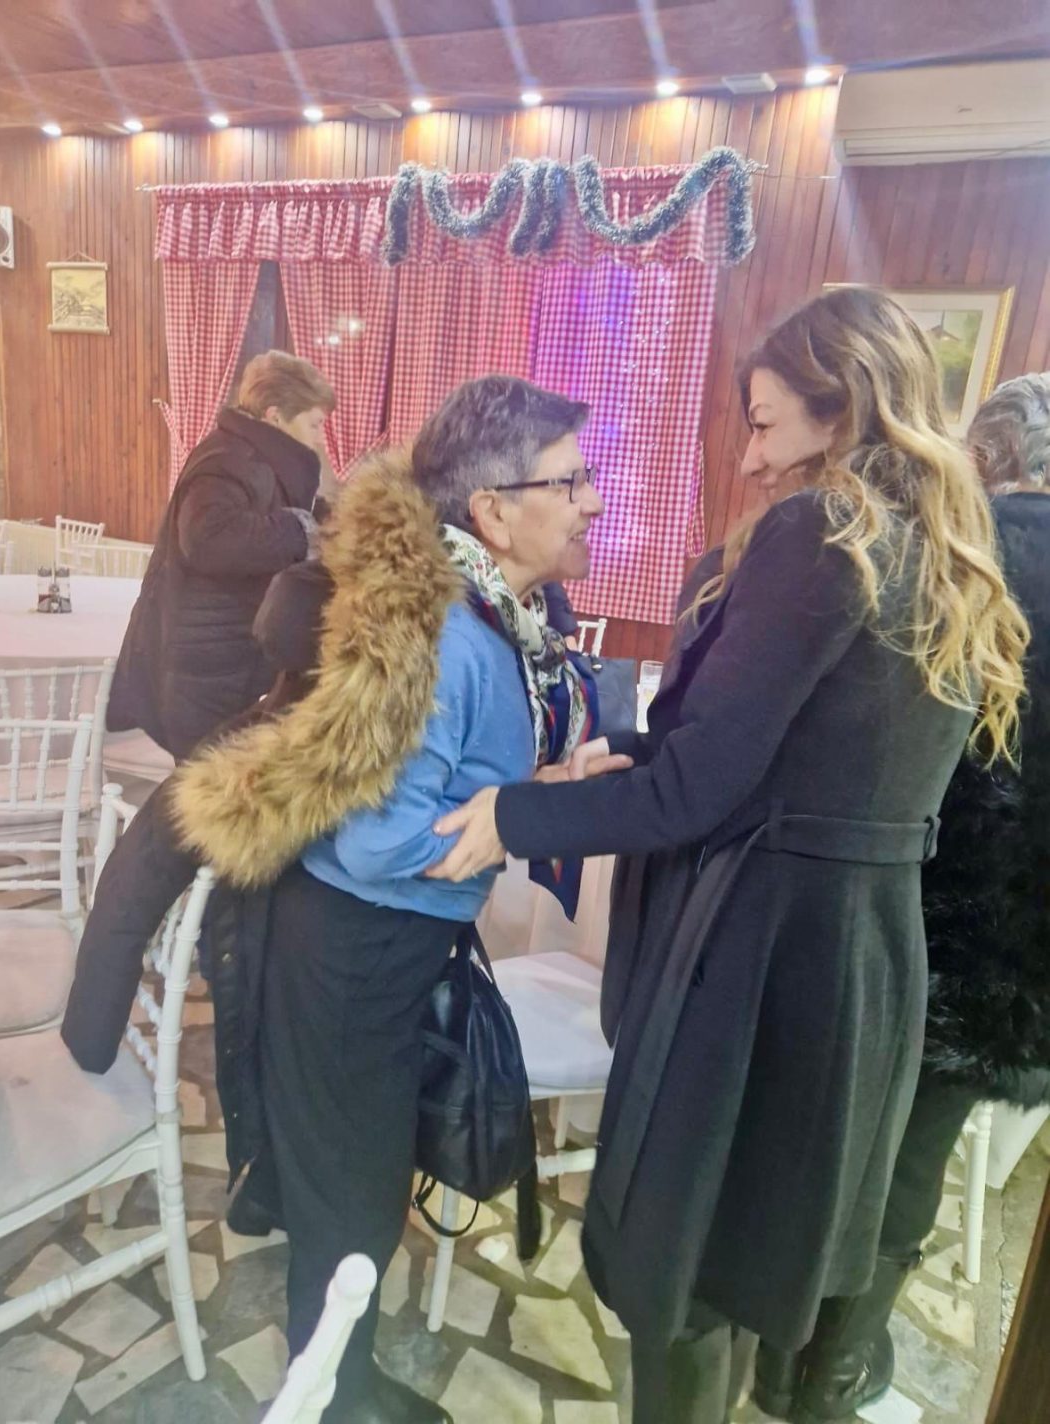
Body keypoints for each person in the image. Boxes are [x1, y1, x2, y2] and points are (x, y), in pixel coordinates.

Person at [427, 287, 1029, 1424]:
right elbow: (813, 753)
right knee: (757, 1248)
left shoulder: (824, 531)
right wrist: (631, 754)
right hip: (864, 947)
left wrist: (516, 818)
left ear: (840, 405)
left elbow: (703, 791)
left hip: (763, 942)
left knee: (689, 1262)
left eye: (762, 423)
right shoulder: (946, 546)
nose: (750, 459)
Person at [166, 375, 605, 1424]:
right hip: (352, 948)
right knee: (350, 1190)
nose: (591, 500)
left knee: (355, 1175)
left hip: (374, 945)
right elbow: (374, 845)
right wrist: (514, 817)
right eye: (570, 481)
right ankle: (335, 1398)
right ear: (493, 511)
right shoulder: (454, 637)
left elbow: (441, 785)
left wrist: (532, 791)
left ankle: (342, 1383)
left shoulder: (488, 615)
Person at [751, 372, 1050, 1423]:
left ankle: (774, 1351)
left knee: (818, 1138)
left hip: (896, 908)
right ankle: (829, 1379)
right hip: (1021, 951)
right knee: (915, 1159)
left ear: (989, 456)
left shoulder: (955, 556)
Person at [107, 349, 335, 759]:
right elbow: (207, 538)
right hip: (206, 669)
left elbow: (264, 513)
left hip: (226, 658)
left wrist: (323, 519)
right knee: (204, 782)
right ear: (275, 416)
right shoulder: (229, 460)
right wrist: (299, 530)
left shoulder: (256, 458)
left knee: (219, 779)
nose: (321, 438)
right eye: (315, 424)